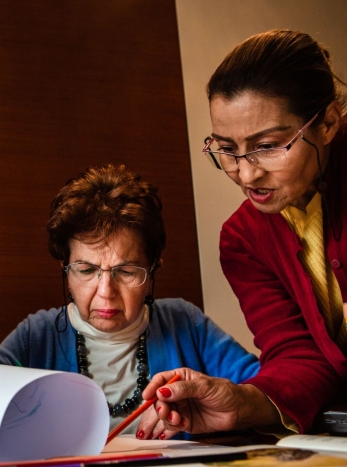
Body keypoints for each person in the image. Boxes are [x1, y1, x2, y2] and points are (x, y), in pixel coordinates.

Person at [139, 29, 347, 438]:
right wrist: (240, 403)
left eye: (267, 145)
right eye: (227, 149)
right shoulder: (243, 238)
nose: (247, 173)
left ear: (328, 122)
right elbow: (299, 357)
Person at [0, 164, 258, 438]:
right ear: (66, 271)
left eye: (126, 271)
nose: (106, 291)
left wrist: (224, 402)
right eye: (86, 270)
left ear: (153, 273)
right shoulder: (36, 336)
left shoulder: (184, 323)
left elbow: (266, 396)